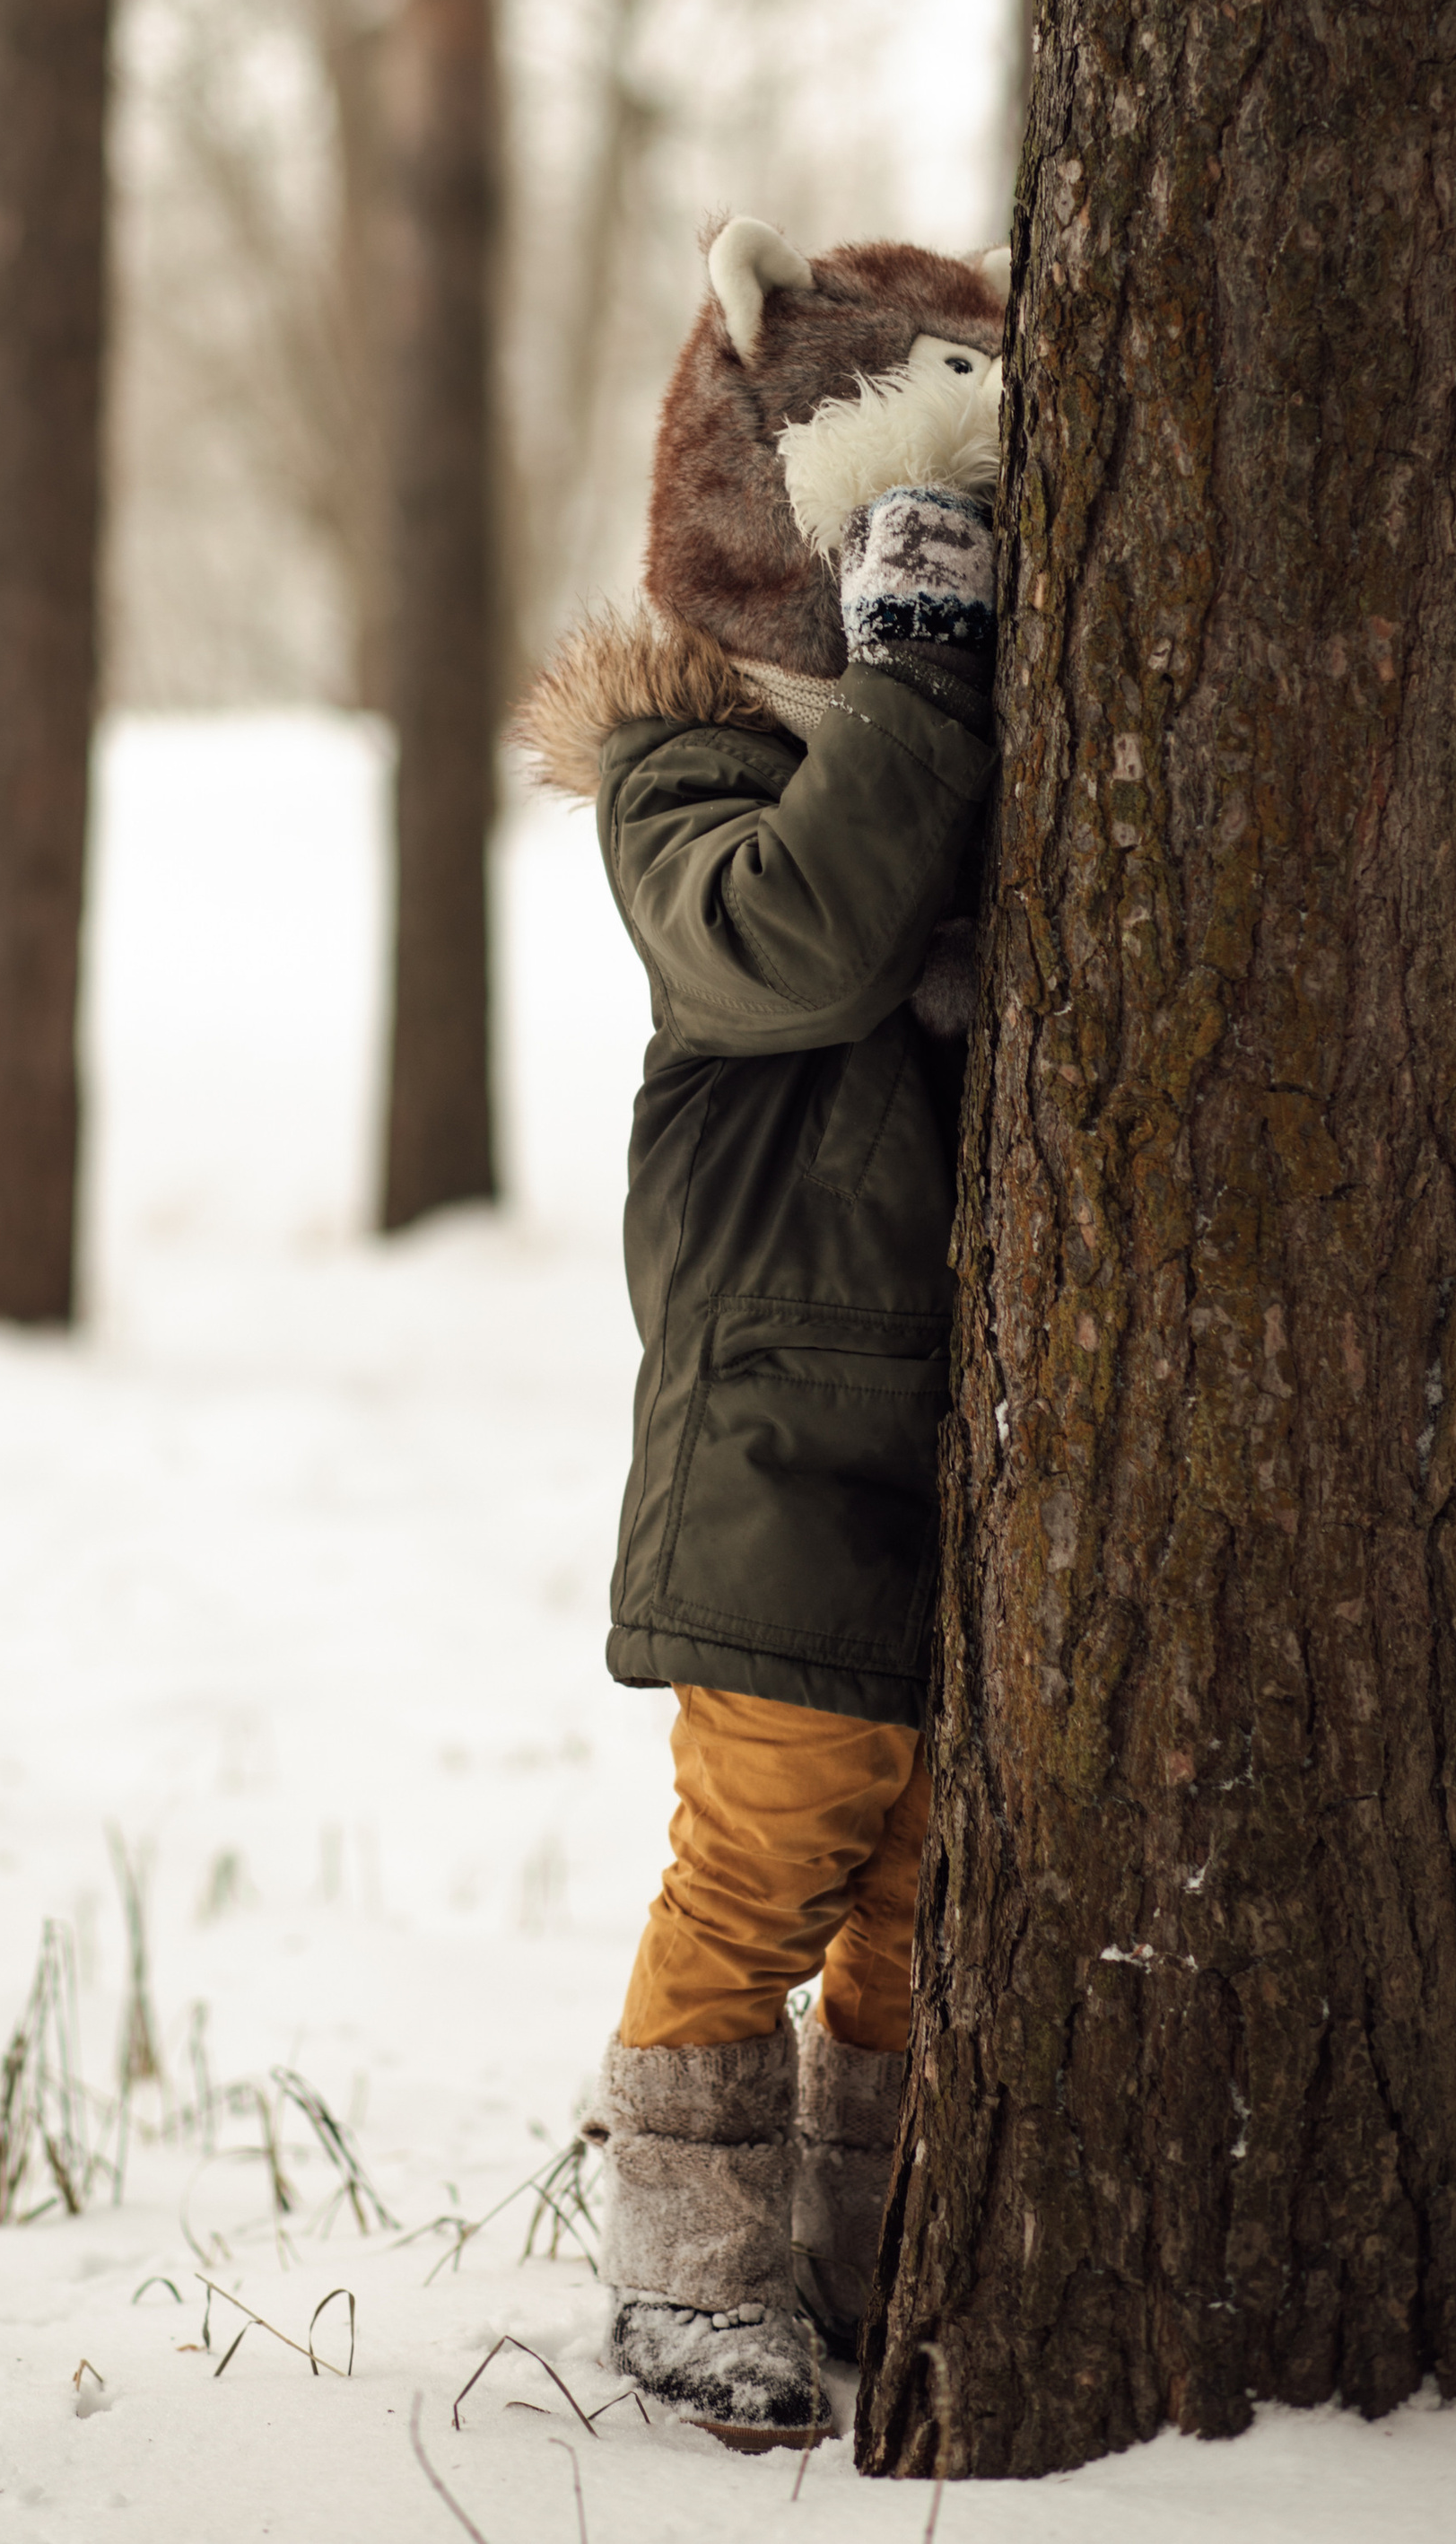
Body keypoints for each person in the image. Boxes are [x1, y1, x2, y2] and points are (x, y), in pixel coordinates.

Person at [518, 215, 1009, 2450]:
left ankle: (865, 2239)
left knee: (926, 1877)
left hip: (966, 1452)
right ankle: (693, 2267)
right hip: (772, 1455)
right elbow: (799, 948)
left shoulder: (977, 796)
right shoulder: (681, 780)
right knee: (759, 1868)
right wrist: (917, 670)